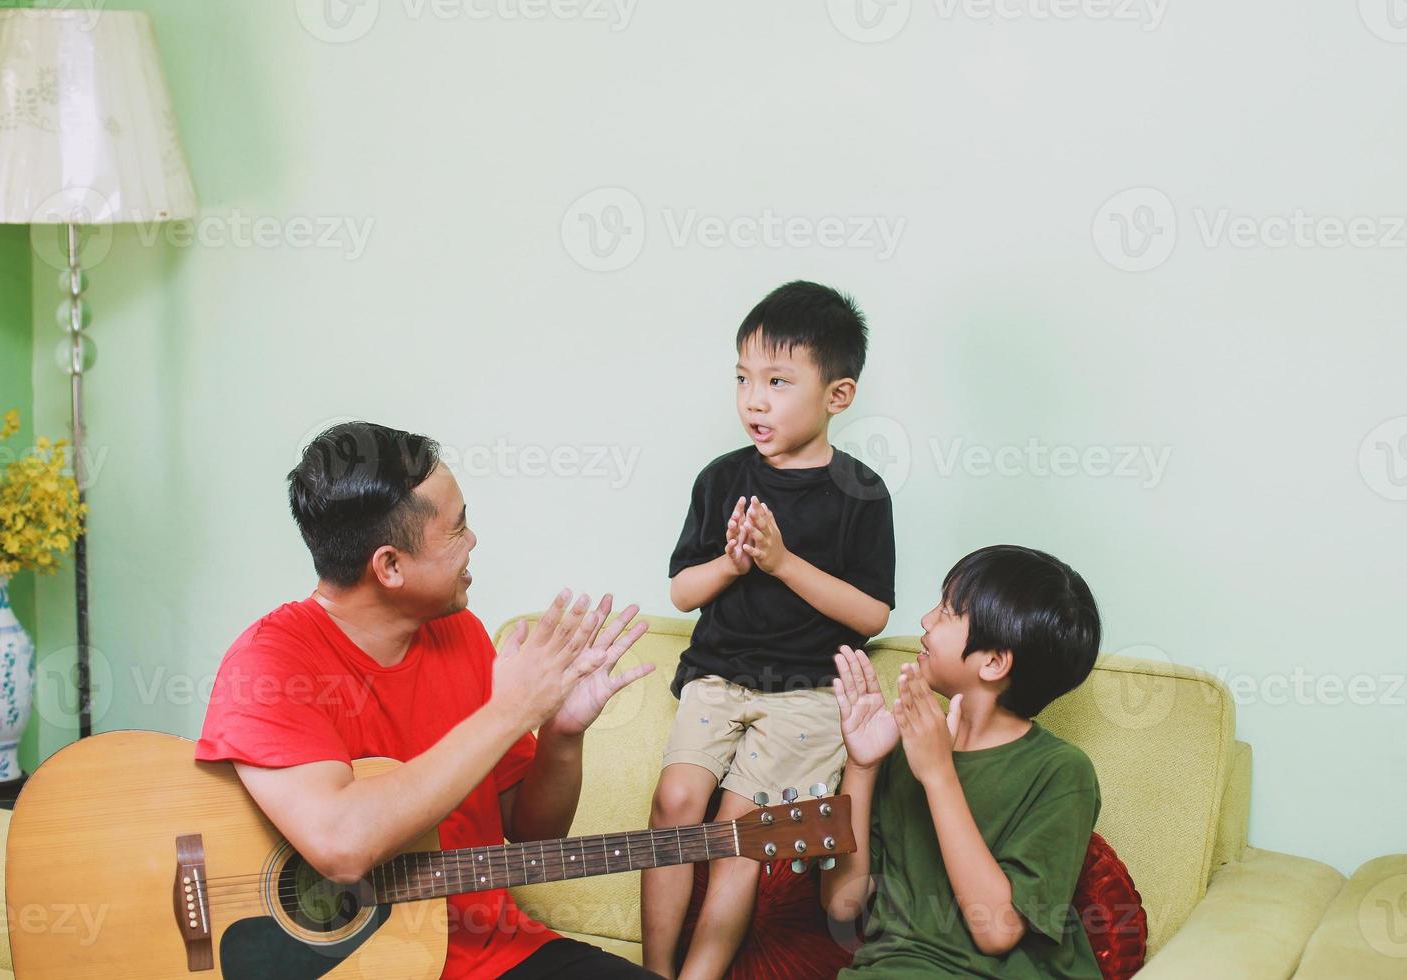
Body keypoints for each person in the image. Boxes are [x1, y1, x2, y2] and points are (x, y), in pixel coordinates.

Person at [196, 420, 660, 978]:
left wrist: (561, 732)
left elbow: (533, 832)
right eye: (456, 530)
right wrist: (511, 709)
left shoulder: (460, 634)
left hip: (497, 953)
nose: (473, 542)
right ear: (389, 566)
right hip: (365, 967)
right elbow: (341, 844)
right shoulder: (269, 664)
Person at [640, 281, 897, 978]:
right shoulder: (720, 479)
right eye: (743, 378)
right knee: (675, 806)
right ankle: (654, 971)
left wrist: (782, 563)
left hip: (808, 695)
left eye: (778, 381)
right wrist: (731, 562)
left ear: (837, 396)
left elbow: (871, 615)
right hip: (719, 677)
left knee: (735, 839)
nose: (754, 399)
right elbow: (682, 589)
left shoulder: (861, 494)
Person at [824, 545, 1104, 978]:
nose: (925, 619)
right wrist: (861, 768)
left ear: (992, 662)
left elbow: (997, 931)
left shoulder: (1061, 772)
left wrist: (938, 775)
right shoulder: (904, 748)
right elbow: (842, 903)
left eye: (949, 611)